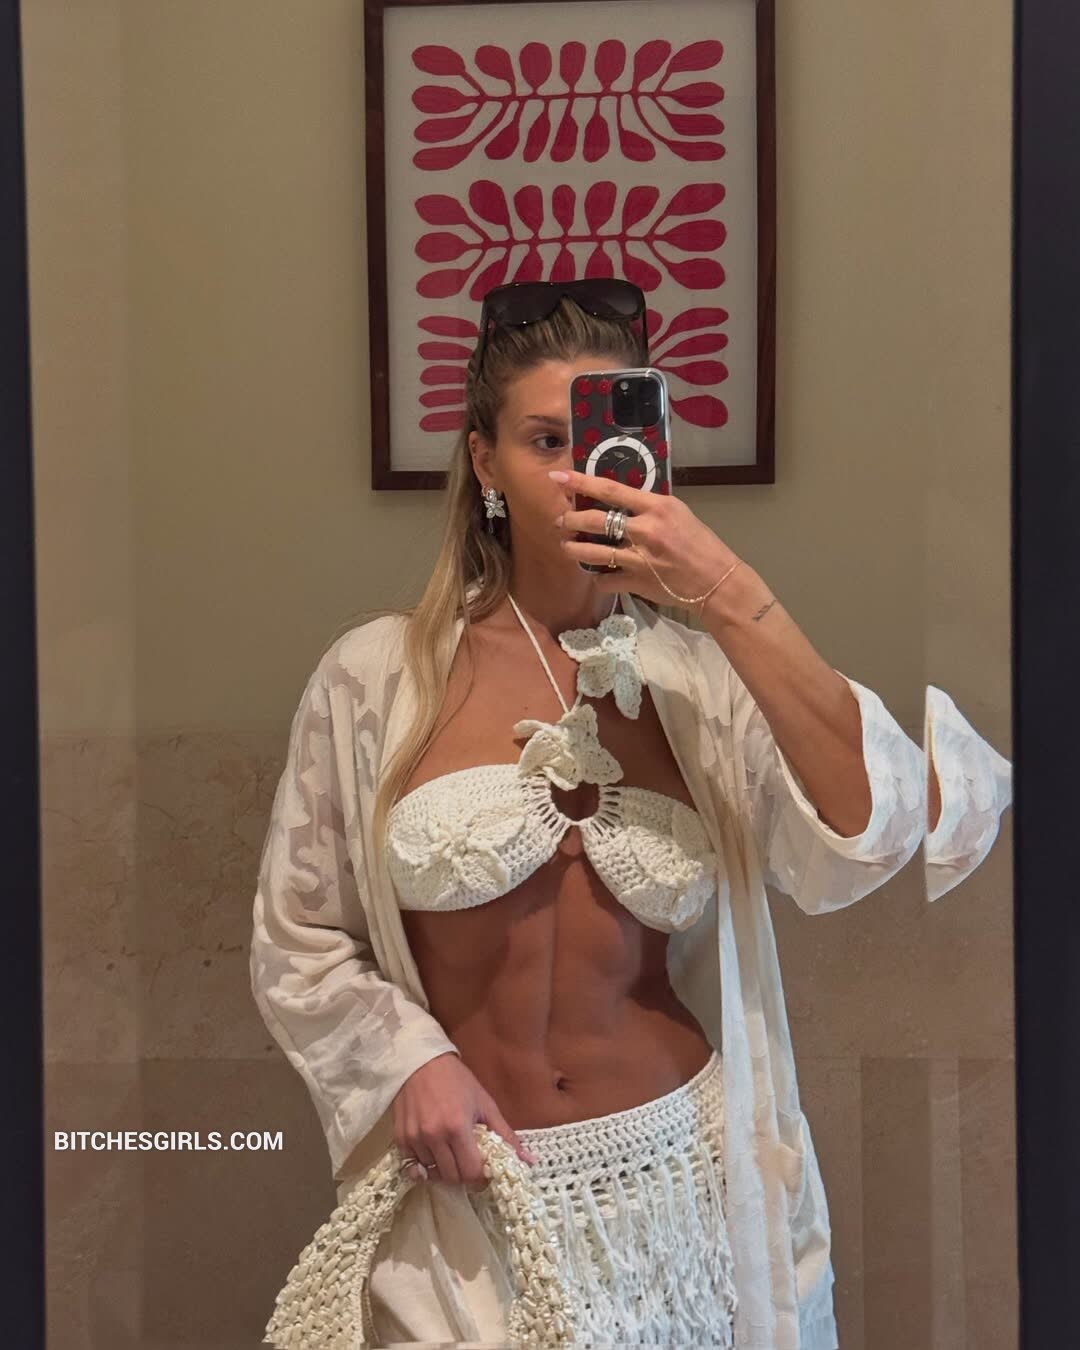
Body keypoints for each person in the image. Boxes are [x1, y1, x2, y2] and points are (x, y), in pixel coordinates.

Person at [251, 278, 926, 1349]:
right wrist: (407, 1060)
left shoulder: (698, 683)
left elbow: (872, 828)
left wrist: (722, 589)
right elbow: (300, 933)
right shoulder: (378, 677)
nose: (582, 470)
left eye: (608, 437)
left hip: (685, 1189)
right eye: (545, 440)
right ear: (485, 463)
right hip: (471, 1209)